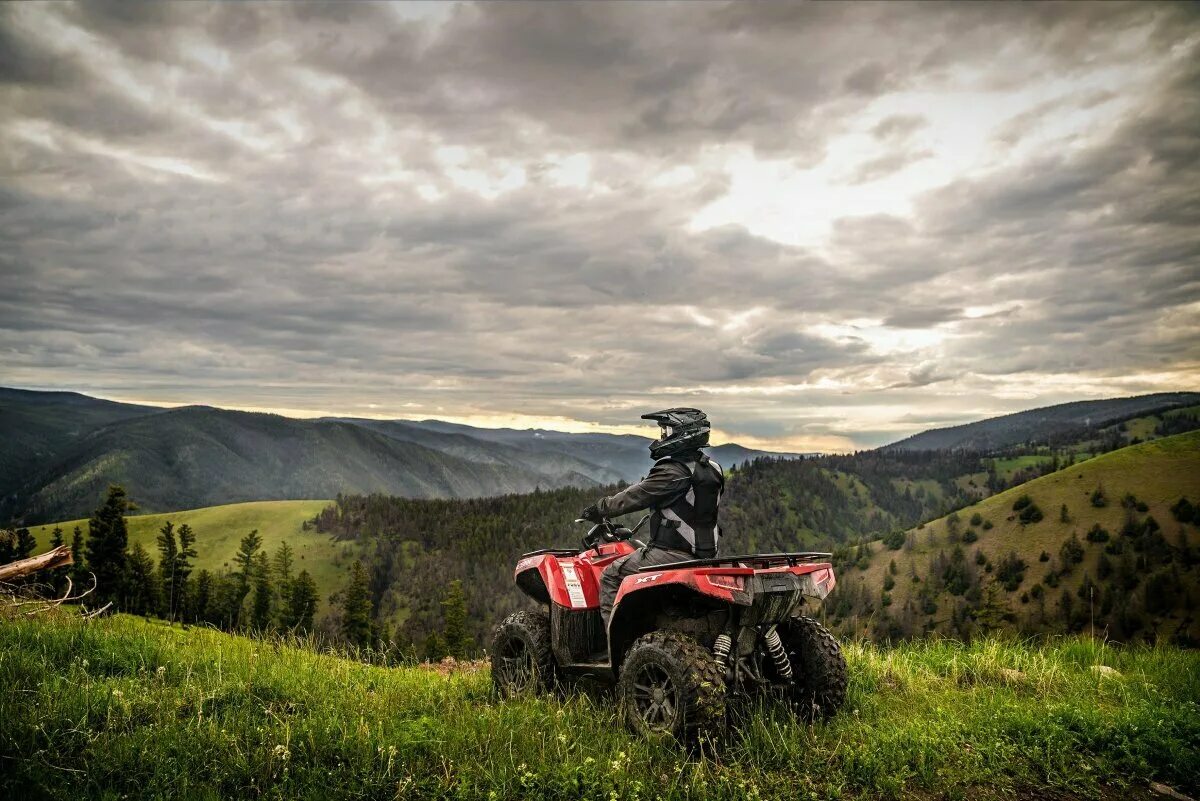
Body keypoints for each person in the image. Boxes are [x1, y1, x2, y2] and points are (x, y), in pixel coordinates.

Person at [579, 408, 725, 628]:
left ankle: (616, 650)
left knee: (611, 575)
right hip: (708, 554)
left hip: (673, 554)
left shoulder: (673, 471)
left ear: (683, 433)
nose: (663, 436)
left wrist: (599, 509)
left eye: (667, 430)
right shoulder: (714, 469)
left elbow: (633, 497)